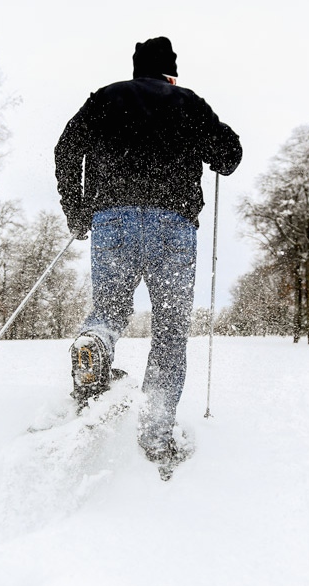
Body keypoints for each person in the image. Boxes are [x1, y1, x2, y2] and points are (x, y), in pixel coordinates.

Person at [54, 36, 242, 464]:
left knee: (109, 311)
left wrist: (77, 209)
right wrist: (214, 151)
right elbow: (230, 154)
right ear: (170, 72)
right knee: (170, 332)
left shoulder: (105, 97)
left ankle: (95, 343)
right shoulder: (188, 102)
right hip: (172, 228)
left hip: (113, 221)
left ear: (137, 68)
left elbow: (66, 149)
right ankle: (156, 438)